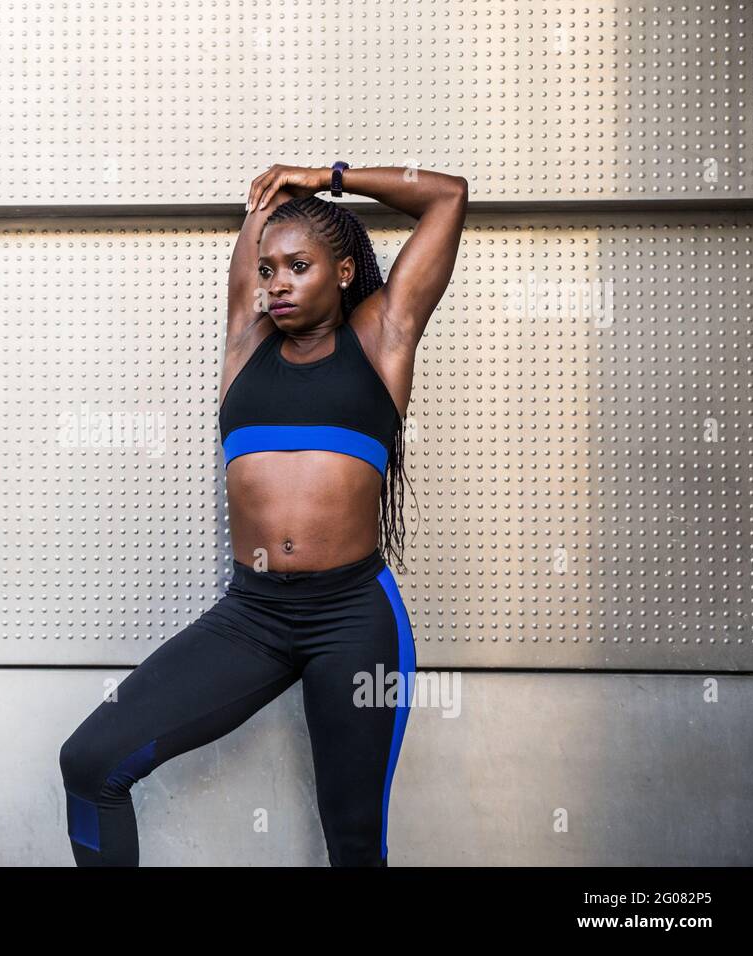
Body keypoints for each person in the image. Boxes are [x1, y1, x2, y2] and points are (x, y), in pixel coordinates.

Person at [59, 163, 468, 866]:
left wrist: (331, 176)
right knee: (91, 761)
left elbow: (447, 197)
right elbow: (262, 229)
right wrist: (275, 202)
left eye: (299, 266)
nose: (276, 281)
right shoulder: (246, 342)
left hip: (353, 619)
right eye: (269, 267)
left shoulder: (383, 338)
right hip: (252, 618)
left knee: (354, 841)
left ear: (343, 273)